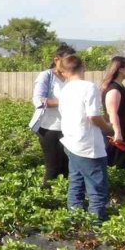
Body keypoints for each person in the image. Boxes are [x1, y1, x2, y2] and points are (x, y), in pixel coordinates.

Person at [58, 55, 114, 222]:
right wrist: (108, 128)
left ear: (65, 71)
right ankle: (97, 223)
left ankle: (75, 218)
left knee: (76, 181)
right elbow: (93, 117)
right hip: (88, 145)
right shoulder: (89, 87)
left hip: (70, 141)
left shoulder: (65, 89)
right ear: (83, 67)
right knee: (97, 187)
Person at [29, 43, 75, 184]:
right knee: (53, 168)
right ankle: (45, 200)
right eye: (67, 61)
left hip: (68, 128)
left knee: (67, 167)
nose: (70, 64)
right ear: (57, 60)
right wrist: (66, 102)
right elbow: (38, 100)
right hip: (49, 129)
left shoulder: (71, 78)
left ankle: (62, 200)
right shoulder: (47, 76)